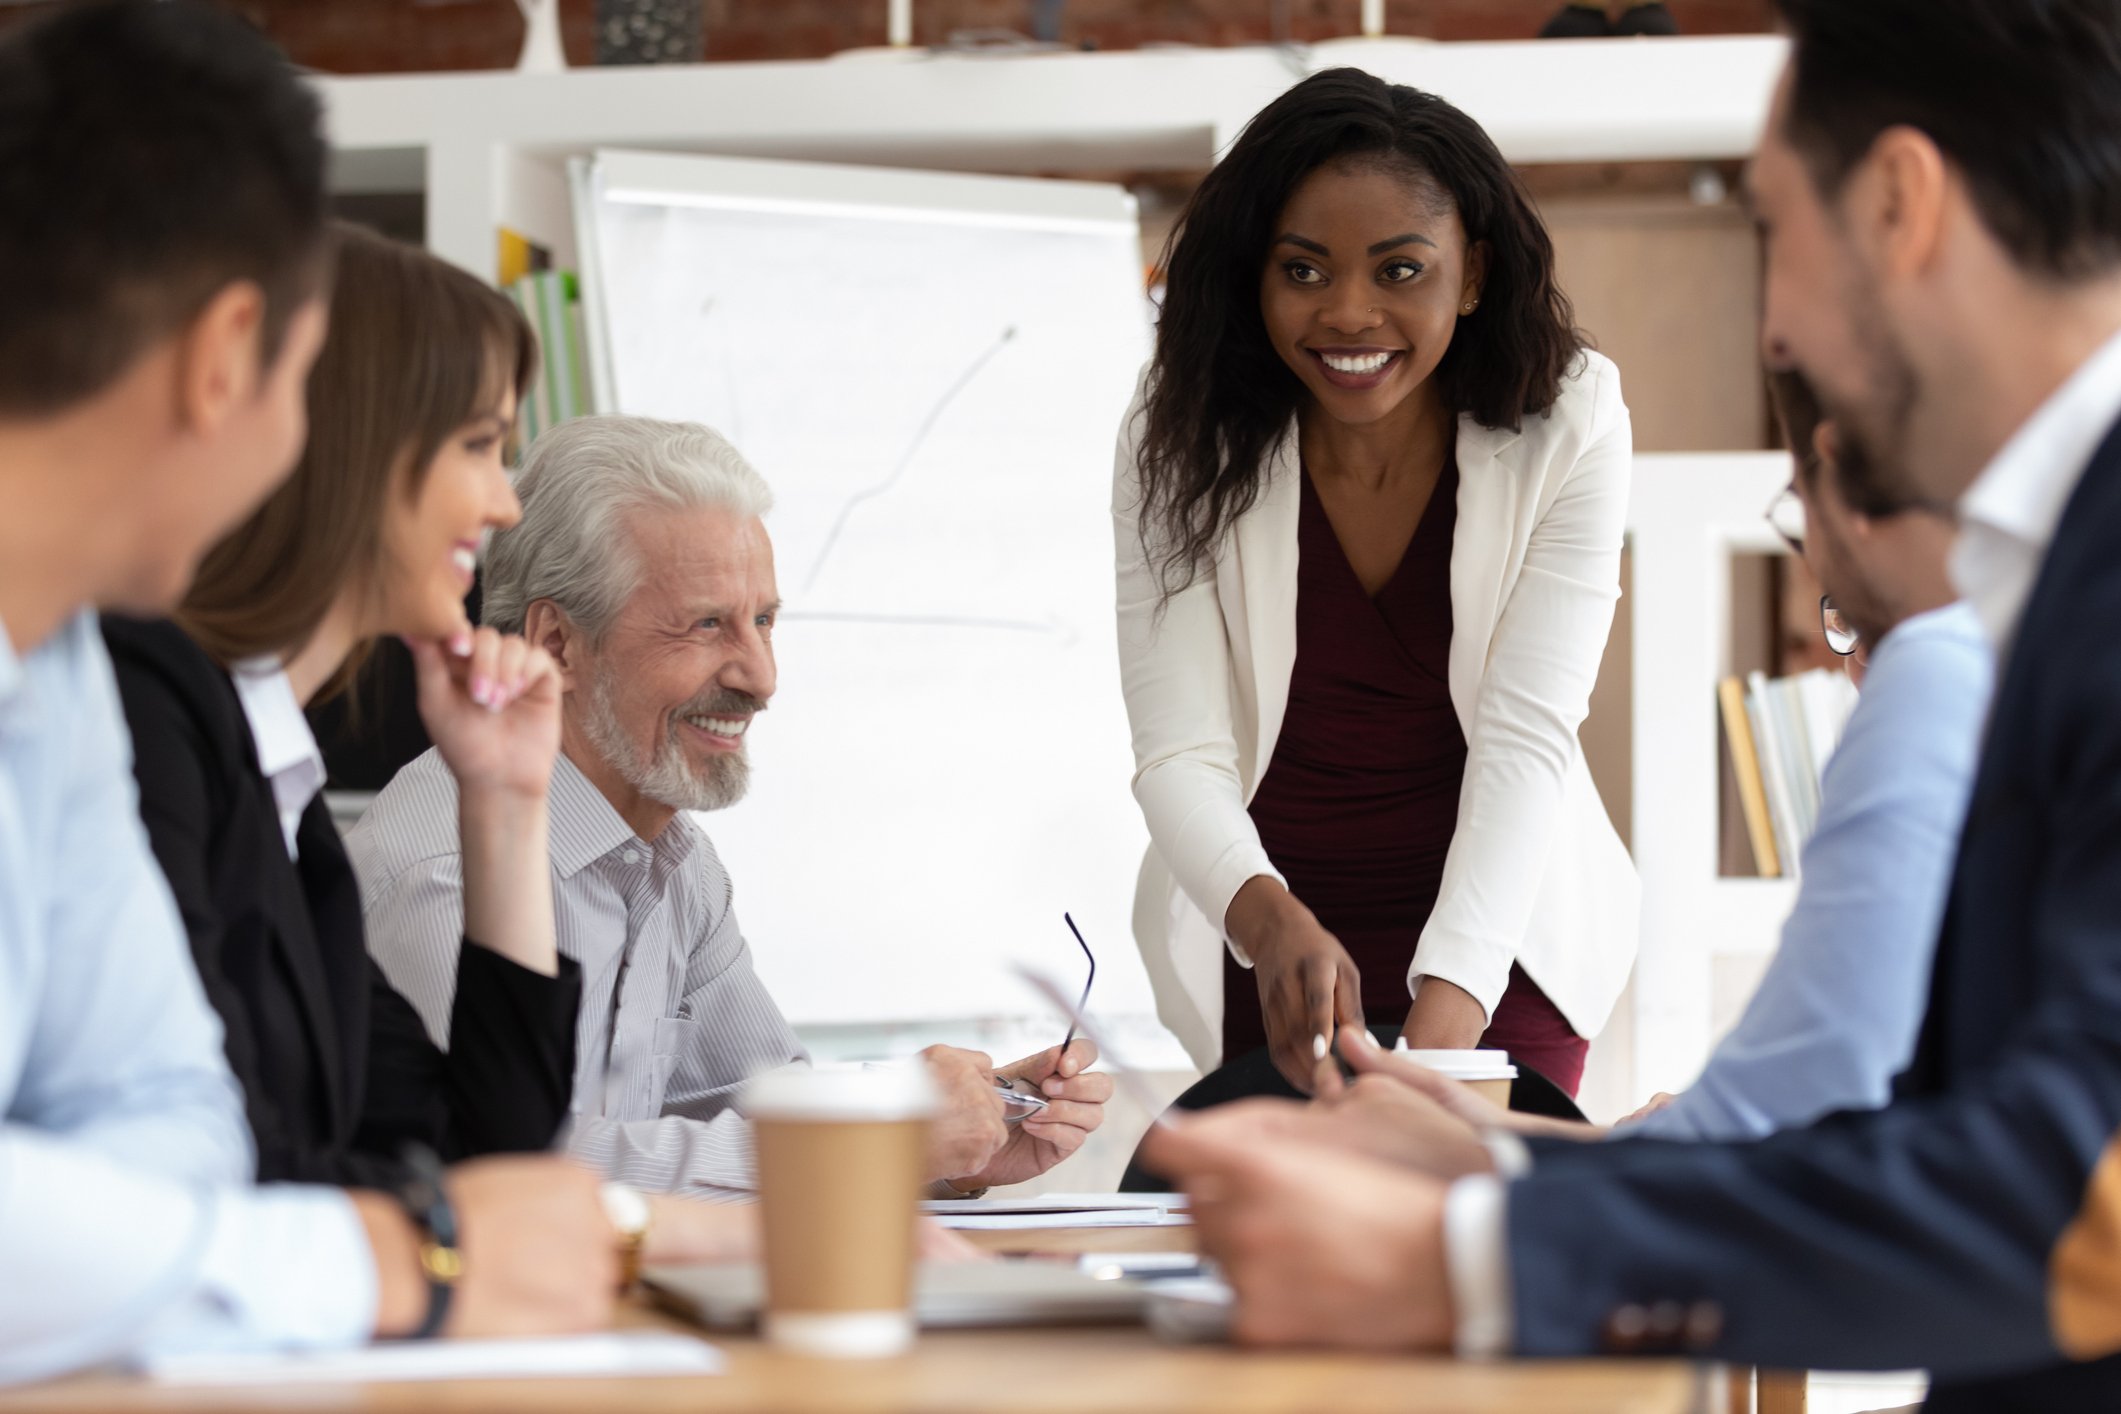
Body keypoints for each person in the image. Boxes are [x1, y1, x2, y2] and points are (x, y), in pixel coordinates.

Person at [1146, 0, 2121, 1405]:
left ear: (1902, 204)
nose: (1775, 321)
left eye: (1771, 230)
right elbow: (1960, 1126)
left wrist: (1482, 1244)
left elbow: (2067, 1176)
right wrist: (1525, 1163)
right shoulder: (2050, 583)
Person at [0, 1, 610, 1383]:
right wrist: (393, 1259)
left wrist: (153, 1244)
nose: (504, 500)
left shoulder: (73, 671)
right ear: (228, 360)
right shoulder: (153, 690)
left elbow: (172, 1117)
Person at [353, 415, 1115, 1205]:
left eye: (763, 619)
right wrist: (882, 1144)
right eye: (707, 623)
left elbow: (764, 1110)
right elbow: (501, 1172)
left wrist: (955, 1145)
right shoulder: (443, 871)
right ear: (556, 643)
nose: (761, 676)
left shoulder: (676, 860)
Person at [1114, 66, 1635, 1096]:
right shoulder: (1178, 430)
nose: (1348, 314)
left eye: (1400, 270)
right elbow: (1178, 748)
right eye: (1303, 271)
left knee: (1481, 1233)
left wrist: (1447, 1020)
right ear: (1254, 275)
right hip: (1267, 939)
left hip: (1501, 935)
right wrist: (1268, 925)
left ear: (1472, 273)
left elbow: (1527, 736)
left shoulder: (1571, 419)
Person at [1383, 369, 1989, 1147]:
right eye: (1839, 617)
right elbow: (1791, 1097)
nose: (1861, 665)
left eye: (1870, 607)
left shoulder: (1934, 720)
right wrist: (1560, 1145)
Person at [100, 222, 581, 1190]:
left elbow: (488, 1152)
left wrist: (504, 801)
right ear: (355, 445)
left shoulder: (284, 802)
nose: (505, 505)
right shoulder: (146, 713)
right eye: (479, 446)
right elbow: (221, 1166)